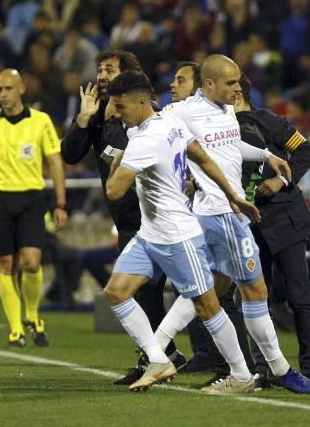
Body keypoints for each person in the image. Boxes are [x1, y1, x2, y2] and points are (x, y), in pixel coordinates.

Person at [148, 54, 310, 394]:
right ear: (208, 84)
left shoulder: (225, 109)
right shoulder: (182, 112)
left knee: (208, 290)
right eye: (230, 83)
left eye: (238, 81)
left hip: (226, 214)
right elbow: (151, 131)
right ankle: (278, 369)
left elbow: (230, 144)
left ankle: (157, 349)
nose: (237, 88)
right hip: (221, 214)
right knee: (254, 291)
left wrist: (266, 155)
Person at [102, 70, 260, 393]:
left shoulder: (142, 141)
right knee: (116, 291)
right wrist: (233, 195)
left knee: (207, 307)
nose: (116, 114)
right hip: (150, 234)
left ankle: (242, 375)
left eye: (120, 107)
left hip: (178, 236)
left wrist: (118, 158)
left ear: (142, 101)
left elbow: (113, 192)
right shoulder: (170, 123)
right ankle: (159, 359)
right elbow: (203, 158)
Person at [60, 49, 185, 383]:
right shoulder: (99, 113)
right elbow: (70, 155)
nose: (101, 76)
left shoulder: (145, 113)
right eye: (99, 69)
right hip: (130, 221)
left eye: (109, 70)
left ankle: (177, 358)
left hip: (157, 217)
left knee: (190, 293)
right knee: (149, 293)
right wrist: (84, 118)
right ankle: (163, 356)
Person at [0, 69, 68, 347]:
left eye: (8, 88)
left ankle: (32, 314)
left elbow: (55, 162)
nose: (3, 94)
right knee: (6, 264)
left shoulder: (41, 122)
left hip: (31, 198)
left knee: (31, 263)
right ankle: (16, 328)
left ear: (21, 88)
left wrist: (60, 203)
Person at [235, 74, 310, 384]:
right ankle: (264, 368)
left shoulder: (268, 120)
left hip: (284, 219)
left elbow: (305, 151)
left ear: (235, 93)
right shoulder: (213, 129)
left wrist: (280, 180)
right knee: (255, 299)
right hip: (249, 223)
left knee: (299, 296)